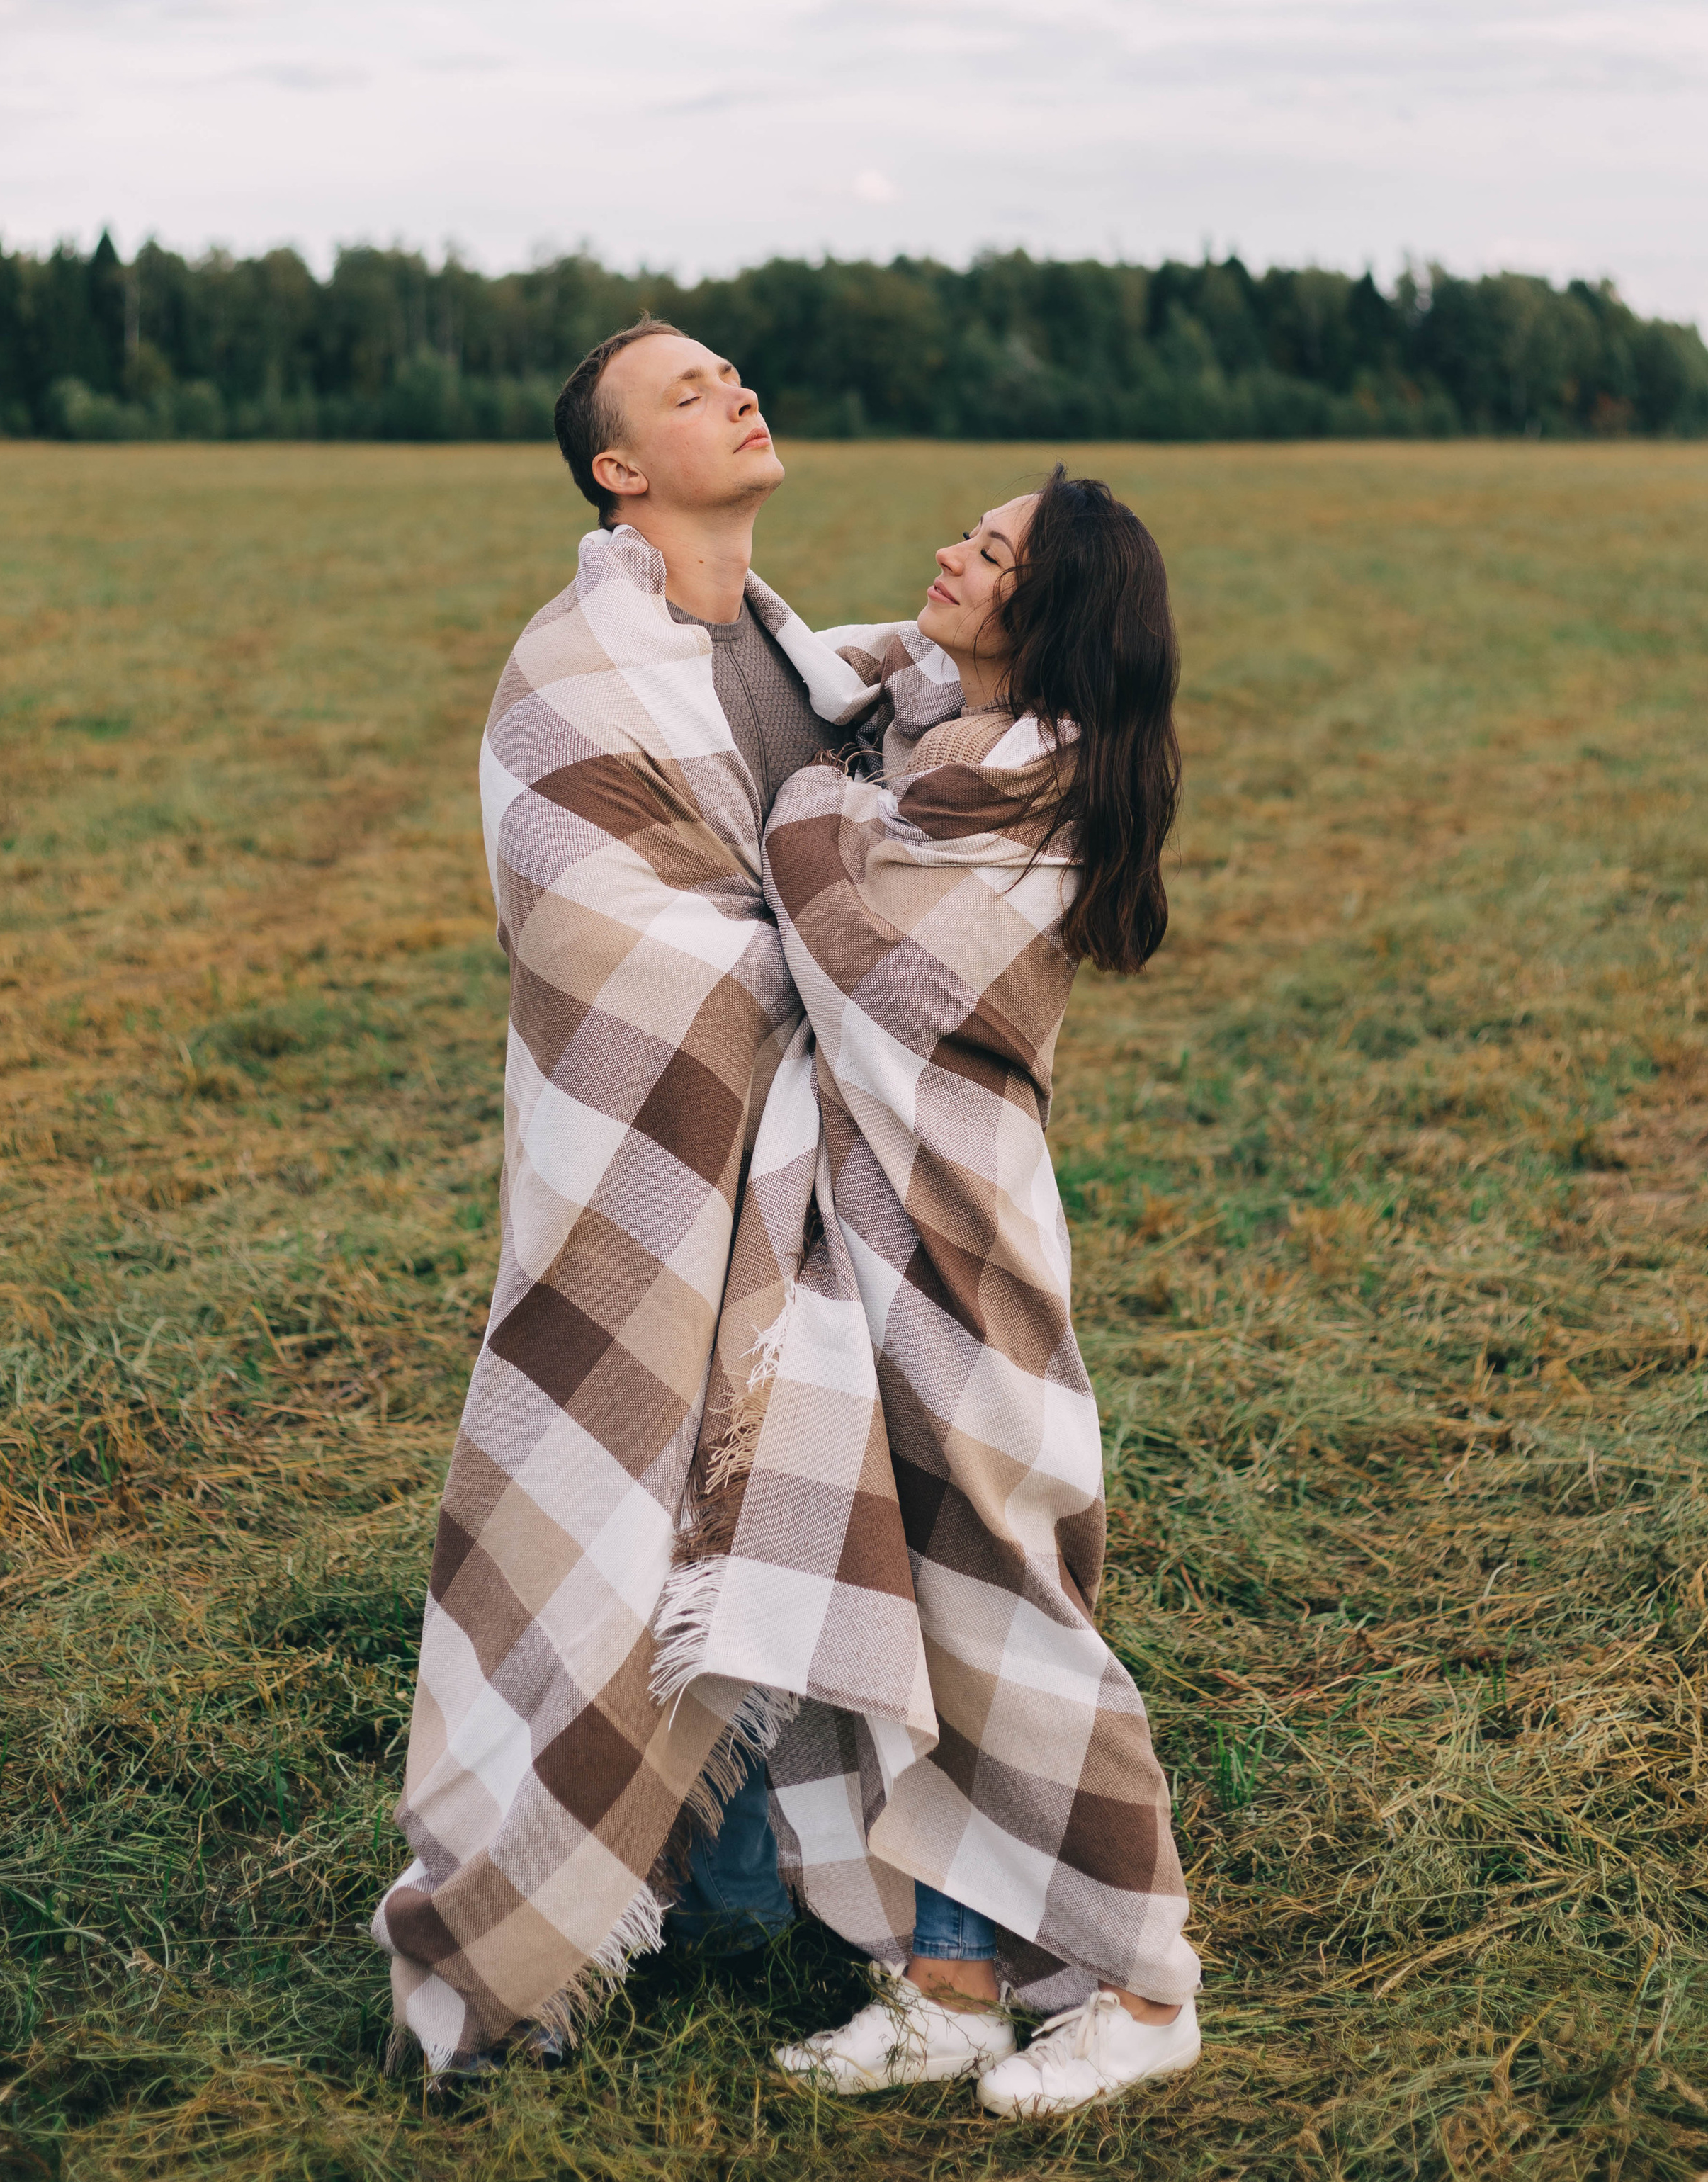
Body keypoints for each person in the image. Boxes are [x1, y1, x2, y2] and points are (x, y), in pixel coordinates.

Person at [372, 317, 890, 2068]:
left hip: (802, 1155)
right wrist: (834, 972)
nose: (736, 389)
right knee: (632, 1490)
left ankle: (764, 1873)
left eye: (735, 369)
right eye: (686, 391)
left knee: (779, 1469)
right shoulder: (575, 668)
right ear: (617, 470)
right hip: (647, 1163)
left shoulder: (786, 649)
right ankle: (588, 1880)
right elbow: (592, 921)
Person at [657, 470, 1201, 2118]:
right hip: (853, 1236)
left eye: (994, 553)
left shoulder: (1019, 786)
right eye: (969, 533)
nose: (952, 556)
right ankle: (944, 1981)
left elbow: (879, 971)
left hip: (954, 1247)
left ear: (1051, 616)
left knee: (1008, 1610)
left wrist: (807, 810)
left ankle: (1138, 1977)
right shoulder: (920, 740)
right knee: (878, 1588)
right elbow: (816, 688)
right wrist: (844, 760)